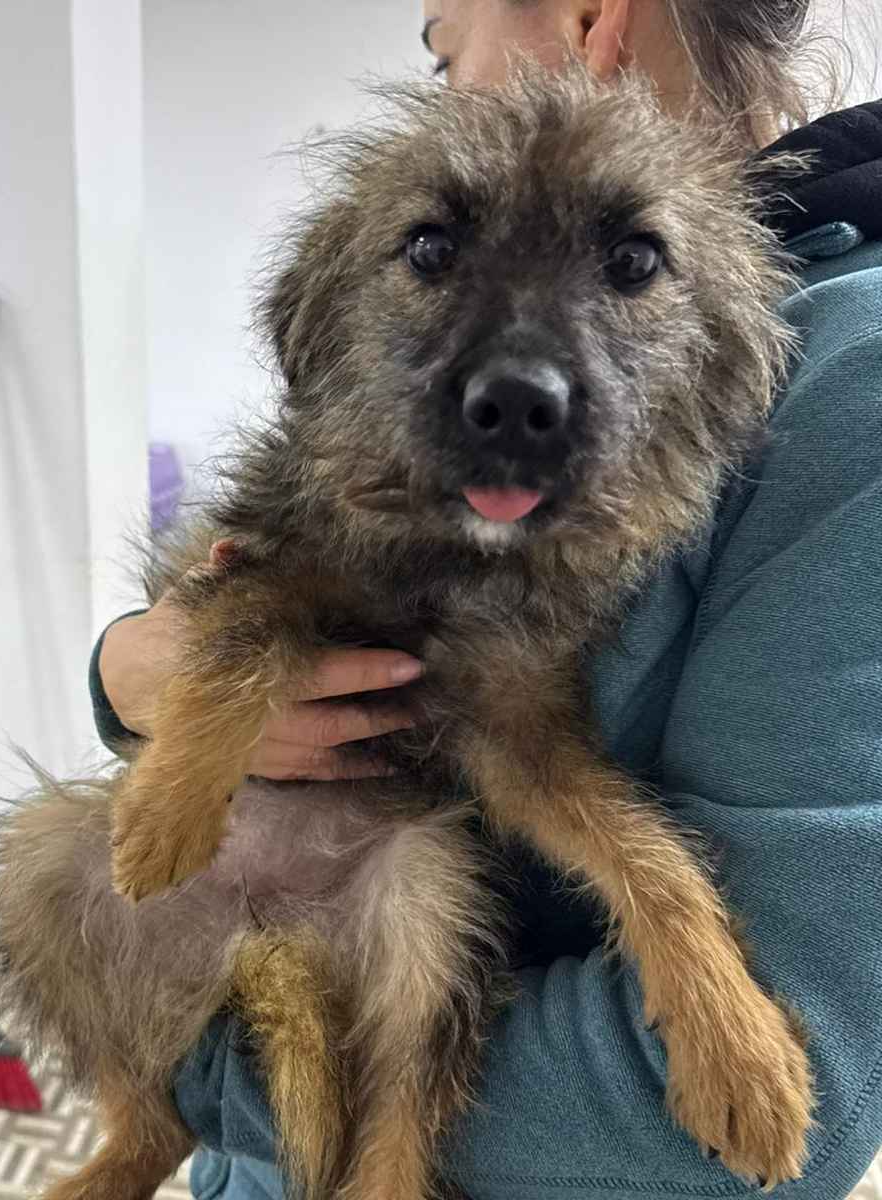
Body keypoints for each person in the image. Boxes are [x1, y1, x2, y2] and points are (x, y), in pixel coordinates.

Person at [91, 1, 882, 1196]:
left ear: (589, 20)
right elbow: (243, 591)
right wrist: (125, 678)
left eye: (444, 48)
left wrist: (191, 1073)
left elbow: (789, 1122)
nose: (446, 85)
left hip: (370, 1089)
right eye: (430, 251)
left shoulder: (843, 371)